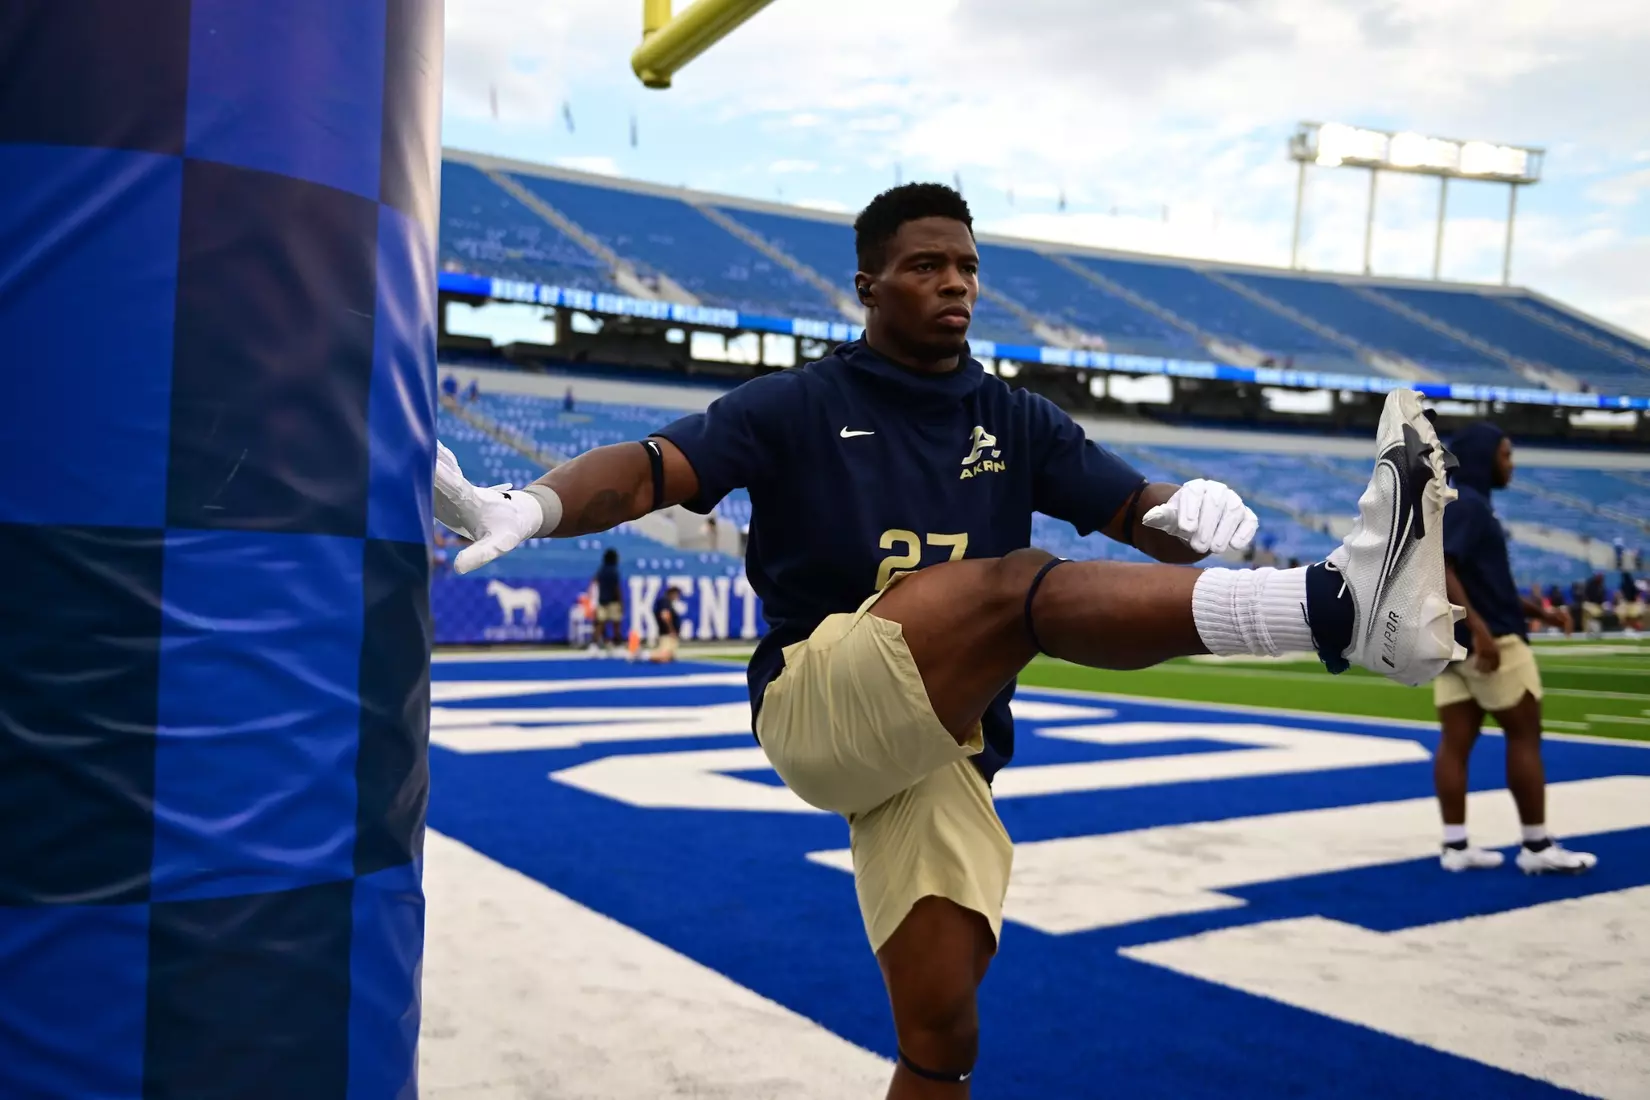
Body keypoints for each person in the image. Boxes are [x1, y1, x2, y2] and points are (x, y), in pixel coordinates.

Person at [431, 183, 1460, 1095]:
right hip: (818, 699)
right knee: (1014, 587)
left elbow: (1129, 506)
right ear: (868, 285)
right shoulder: (797, 401)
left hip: (944, 745)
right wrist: (537, 503)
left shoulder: (1013, 416)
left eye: (968, 266)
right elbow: (656, 467)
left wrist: (1187, 507)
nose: (956, 282)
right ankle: (1333, 609)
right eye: (927, 265)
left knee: (943, 1034)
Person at [1430, 423, 1595, 876]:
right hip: (1490, 641)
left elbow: (1489, 584)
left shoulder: (1456, 505)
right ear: (1486, 458)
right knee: (1524, 736)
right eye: (1505, 454)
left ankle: (1455, 845)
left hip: (1453, 642)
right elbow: (1442, 568)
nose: (1512, 463)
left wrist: (1540, 614)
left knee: (1455, 743)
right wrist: (1482, 629)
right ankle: (1537, 846)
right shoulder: (1472, 507)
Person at [591, 548, 624, 652]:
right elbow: (616, 588)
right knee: (616, 625)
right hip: (613, 601)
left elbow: (594, 582)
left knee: (599, 624)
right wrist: (620, 601)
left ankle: (594, 645)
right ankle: (617, 644)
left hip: (602, 600)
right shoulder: (614, 571)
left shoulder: (601, 570)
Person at [651, 584, 683, 663]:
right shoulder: (665, 602)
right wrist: (671, 630)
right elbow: (665, 616)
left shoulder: (667, 603)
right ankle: (643, 655)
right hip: (667, 634)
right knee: (665, 656)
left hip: (667, 633)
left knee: (670, 656)